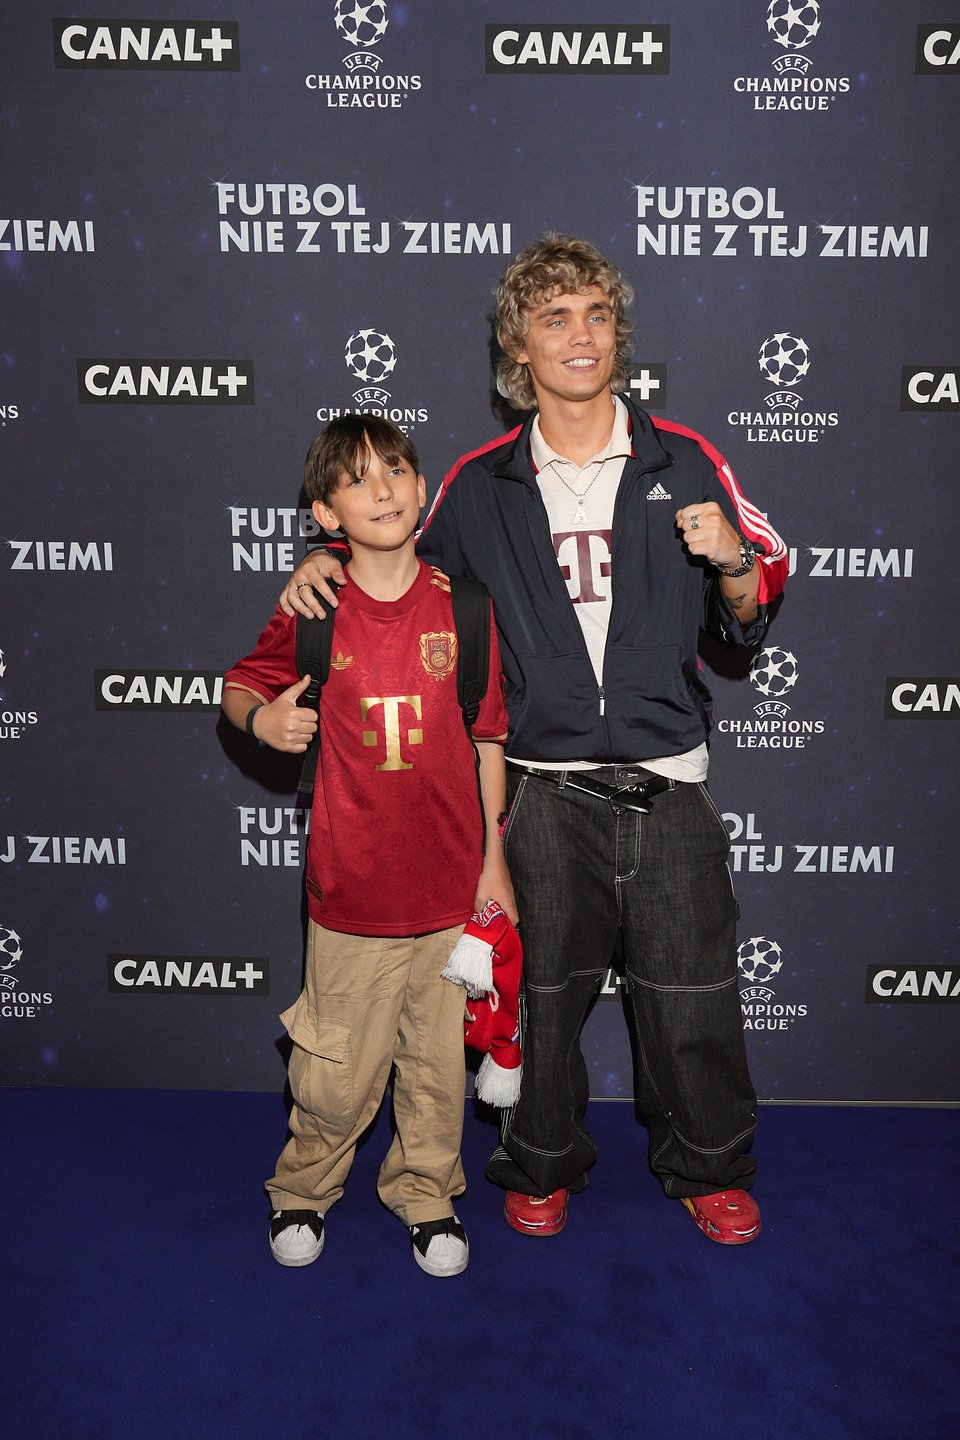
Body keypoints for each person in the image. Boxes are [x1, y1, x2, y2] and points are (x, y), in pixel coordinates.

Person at [280, 234, 788, 1247]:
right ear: (520, 347)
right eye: (555, 318)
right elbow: (397, 564)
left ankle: (709, 1165)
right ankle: (541, 1160)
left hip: (667, 778)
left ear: (619, 336)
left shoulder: (686, 457)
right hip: (542, 789)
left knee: (693, 998)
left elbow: (751, 607)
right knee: (539, 998)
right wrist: (323, 559)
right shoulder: (480, 484)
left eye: (597, 315)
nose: (580, 335)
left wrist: (734, 561)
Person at [222, 415, 515, 1277]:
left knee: (436, 1068)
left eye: (395, 469)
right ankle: (303, 1189)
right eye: (356, 479)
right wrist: (262, 722)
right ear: (326, 513)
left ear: (422, 487)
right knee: (334, 1071)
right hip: (350, 894)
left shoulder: (466, 607)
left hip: (449, 894)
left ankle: (426, 1193)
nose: (382, 489)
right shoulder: (313, 606)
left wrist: (493, 863)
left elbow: (488, 739)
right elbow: (241, 685)